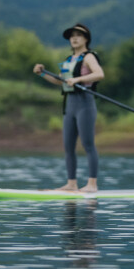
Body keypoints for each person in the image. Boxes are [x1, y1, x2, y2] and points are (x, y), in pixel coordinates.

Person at [33, 23, 105, 192]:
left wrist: (78, 80)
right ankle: (71, 183)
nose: (74, 38)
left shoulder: (89, 57)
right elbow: (60, 81)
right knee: (68, 146)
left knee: (88, 144)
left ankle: (92, 184)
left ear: (86, 38)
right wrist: (42, 73)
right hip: (70, 105)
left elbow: (100, 74)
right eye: (72, 35)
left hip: (85, 103)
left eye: (78, 35)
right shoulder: (68, 60)